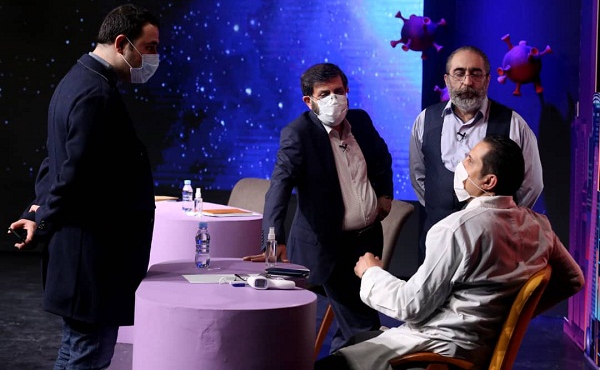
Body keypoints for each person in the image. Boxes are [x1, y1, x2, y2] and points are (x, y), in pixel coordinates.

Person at [315, 135, 584, 370]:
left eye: (470, 160)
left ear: (489, 181)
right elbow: (573, 279)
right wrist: (512, 321)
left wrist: (371, 272)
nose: (462, 163)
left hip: (439, 356)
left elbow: (410, 306)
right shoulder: (540, 227)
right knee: (357, 342)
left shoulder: (458, 230)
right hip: (477, 351)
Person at [8, 4, 159, 369]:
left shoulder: (77, 80)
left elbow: (54, 162)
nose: (154, 58)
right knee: (89, 356)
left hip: (84, 259)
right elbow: (73, 174)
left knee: (75, 351)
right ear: (122, 43)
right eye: (150, 47)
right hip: (92, 260)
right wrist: (43, 218)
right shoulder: (96, 94)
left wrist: (37, 212)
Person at [243, 62, 394, 352]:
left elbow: (381, 158)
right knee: (364, 325)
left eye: (338, 91)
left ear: (347, 91)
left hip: (368, 241)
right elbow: (279, 188)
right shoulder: (298, 134)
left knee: (350, 328)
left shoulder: (360, 121)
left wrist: (385, 195)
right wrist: (273, 240)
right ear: (308, 101)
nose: (334, 99)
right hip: (329, 247)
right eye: (324, 94)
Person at [409, 45, 543, 264]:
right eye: (459, 73)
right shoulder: (425, 121)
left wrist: (503, 218)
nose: (467, 82)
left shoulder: (513, 124)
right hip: (435, 249)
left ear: (488, 80)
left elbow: (532, 185)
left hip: (492, 251)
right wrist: (439, 204)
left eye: (476, 74)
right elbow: (419, 177)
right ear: (447, 79)